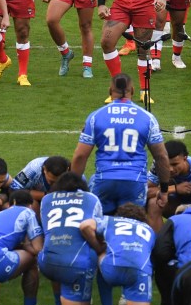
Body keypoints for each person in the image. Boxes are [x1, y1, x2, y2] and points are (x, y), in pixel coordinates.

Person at [71, 73, 171, 214]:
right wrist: (164, 190)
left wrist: (73, 188)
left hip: (104, 180)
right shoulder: (147, 118)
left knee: (101, 226)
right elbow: (161, 156)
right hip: (134, 182)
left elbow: (80, 156)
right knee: (131, 226)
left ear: (110, 91)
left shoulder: (96, 117)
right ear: (133, 91)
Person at [21, 172, 103, 305]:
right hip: (76, 265)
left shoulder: (46, 199)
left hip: (47, 262)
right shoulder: (92, 198)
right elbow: (97, 229)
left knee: (58, 256)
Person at [80, 204, 156, 305]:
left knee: (103, 256)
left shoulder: (110, 220)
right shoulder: (149, 229)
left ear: (119, 215)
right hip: (139, 270)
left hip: (112, 268)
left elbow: (85, 226)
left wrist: (98, 248)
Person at [146, 140, 191, 229]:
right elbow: (144, 192)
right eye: (167, 164)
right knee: (154, 203)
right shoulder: (159, 164)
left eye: (175, 164)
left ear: (185, 158)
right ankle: (159, 241)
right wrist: (175, 188)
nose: (170, 169)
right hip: (178, 202)